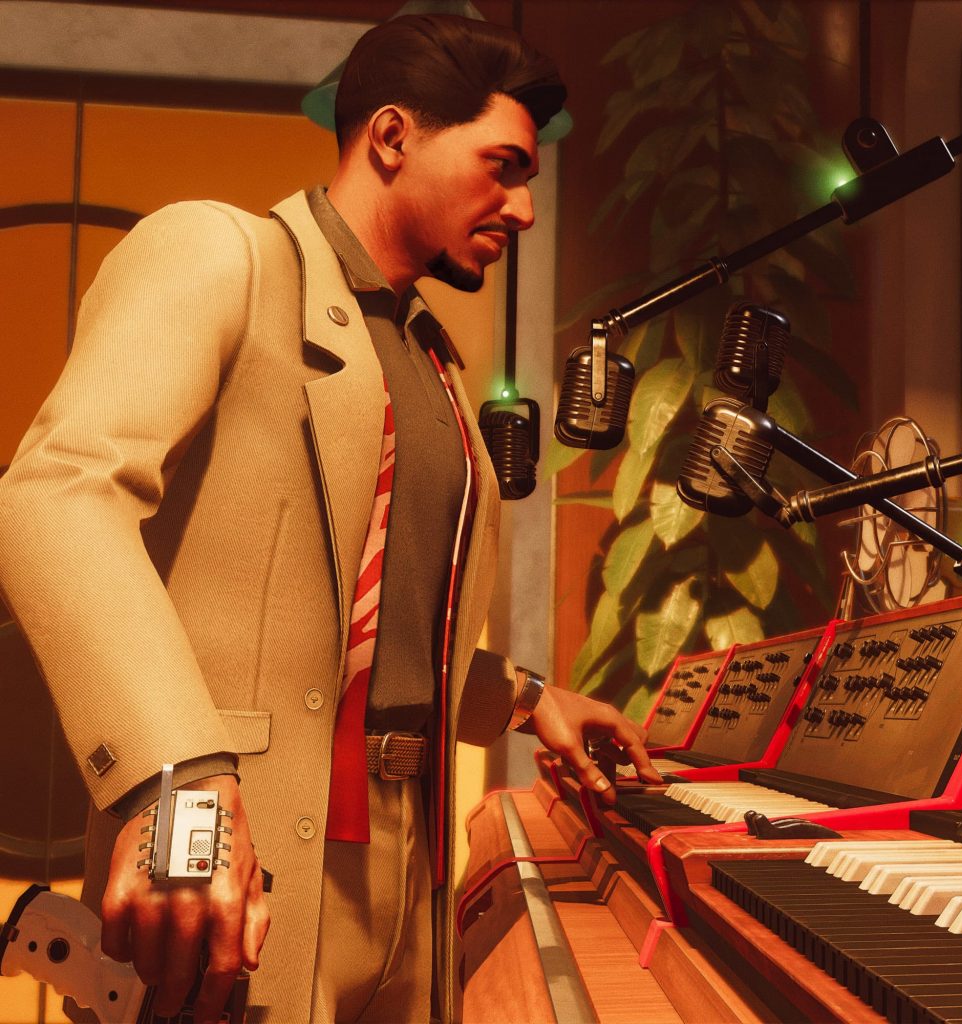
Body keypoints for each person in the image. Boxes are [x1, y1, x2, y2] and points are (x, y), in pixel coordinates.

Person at [0, 13, 659, 1024]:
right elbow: (56, 494)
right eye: (502, 166)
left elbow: (366, 634)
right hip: (237, 873)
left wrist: (529, 701)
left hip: (405, 875)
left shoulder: (431, 357)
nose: (522, 208)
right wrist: (178, 790)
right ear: (392, 137)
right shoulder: (220, 252)